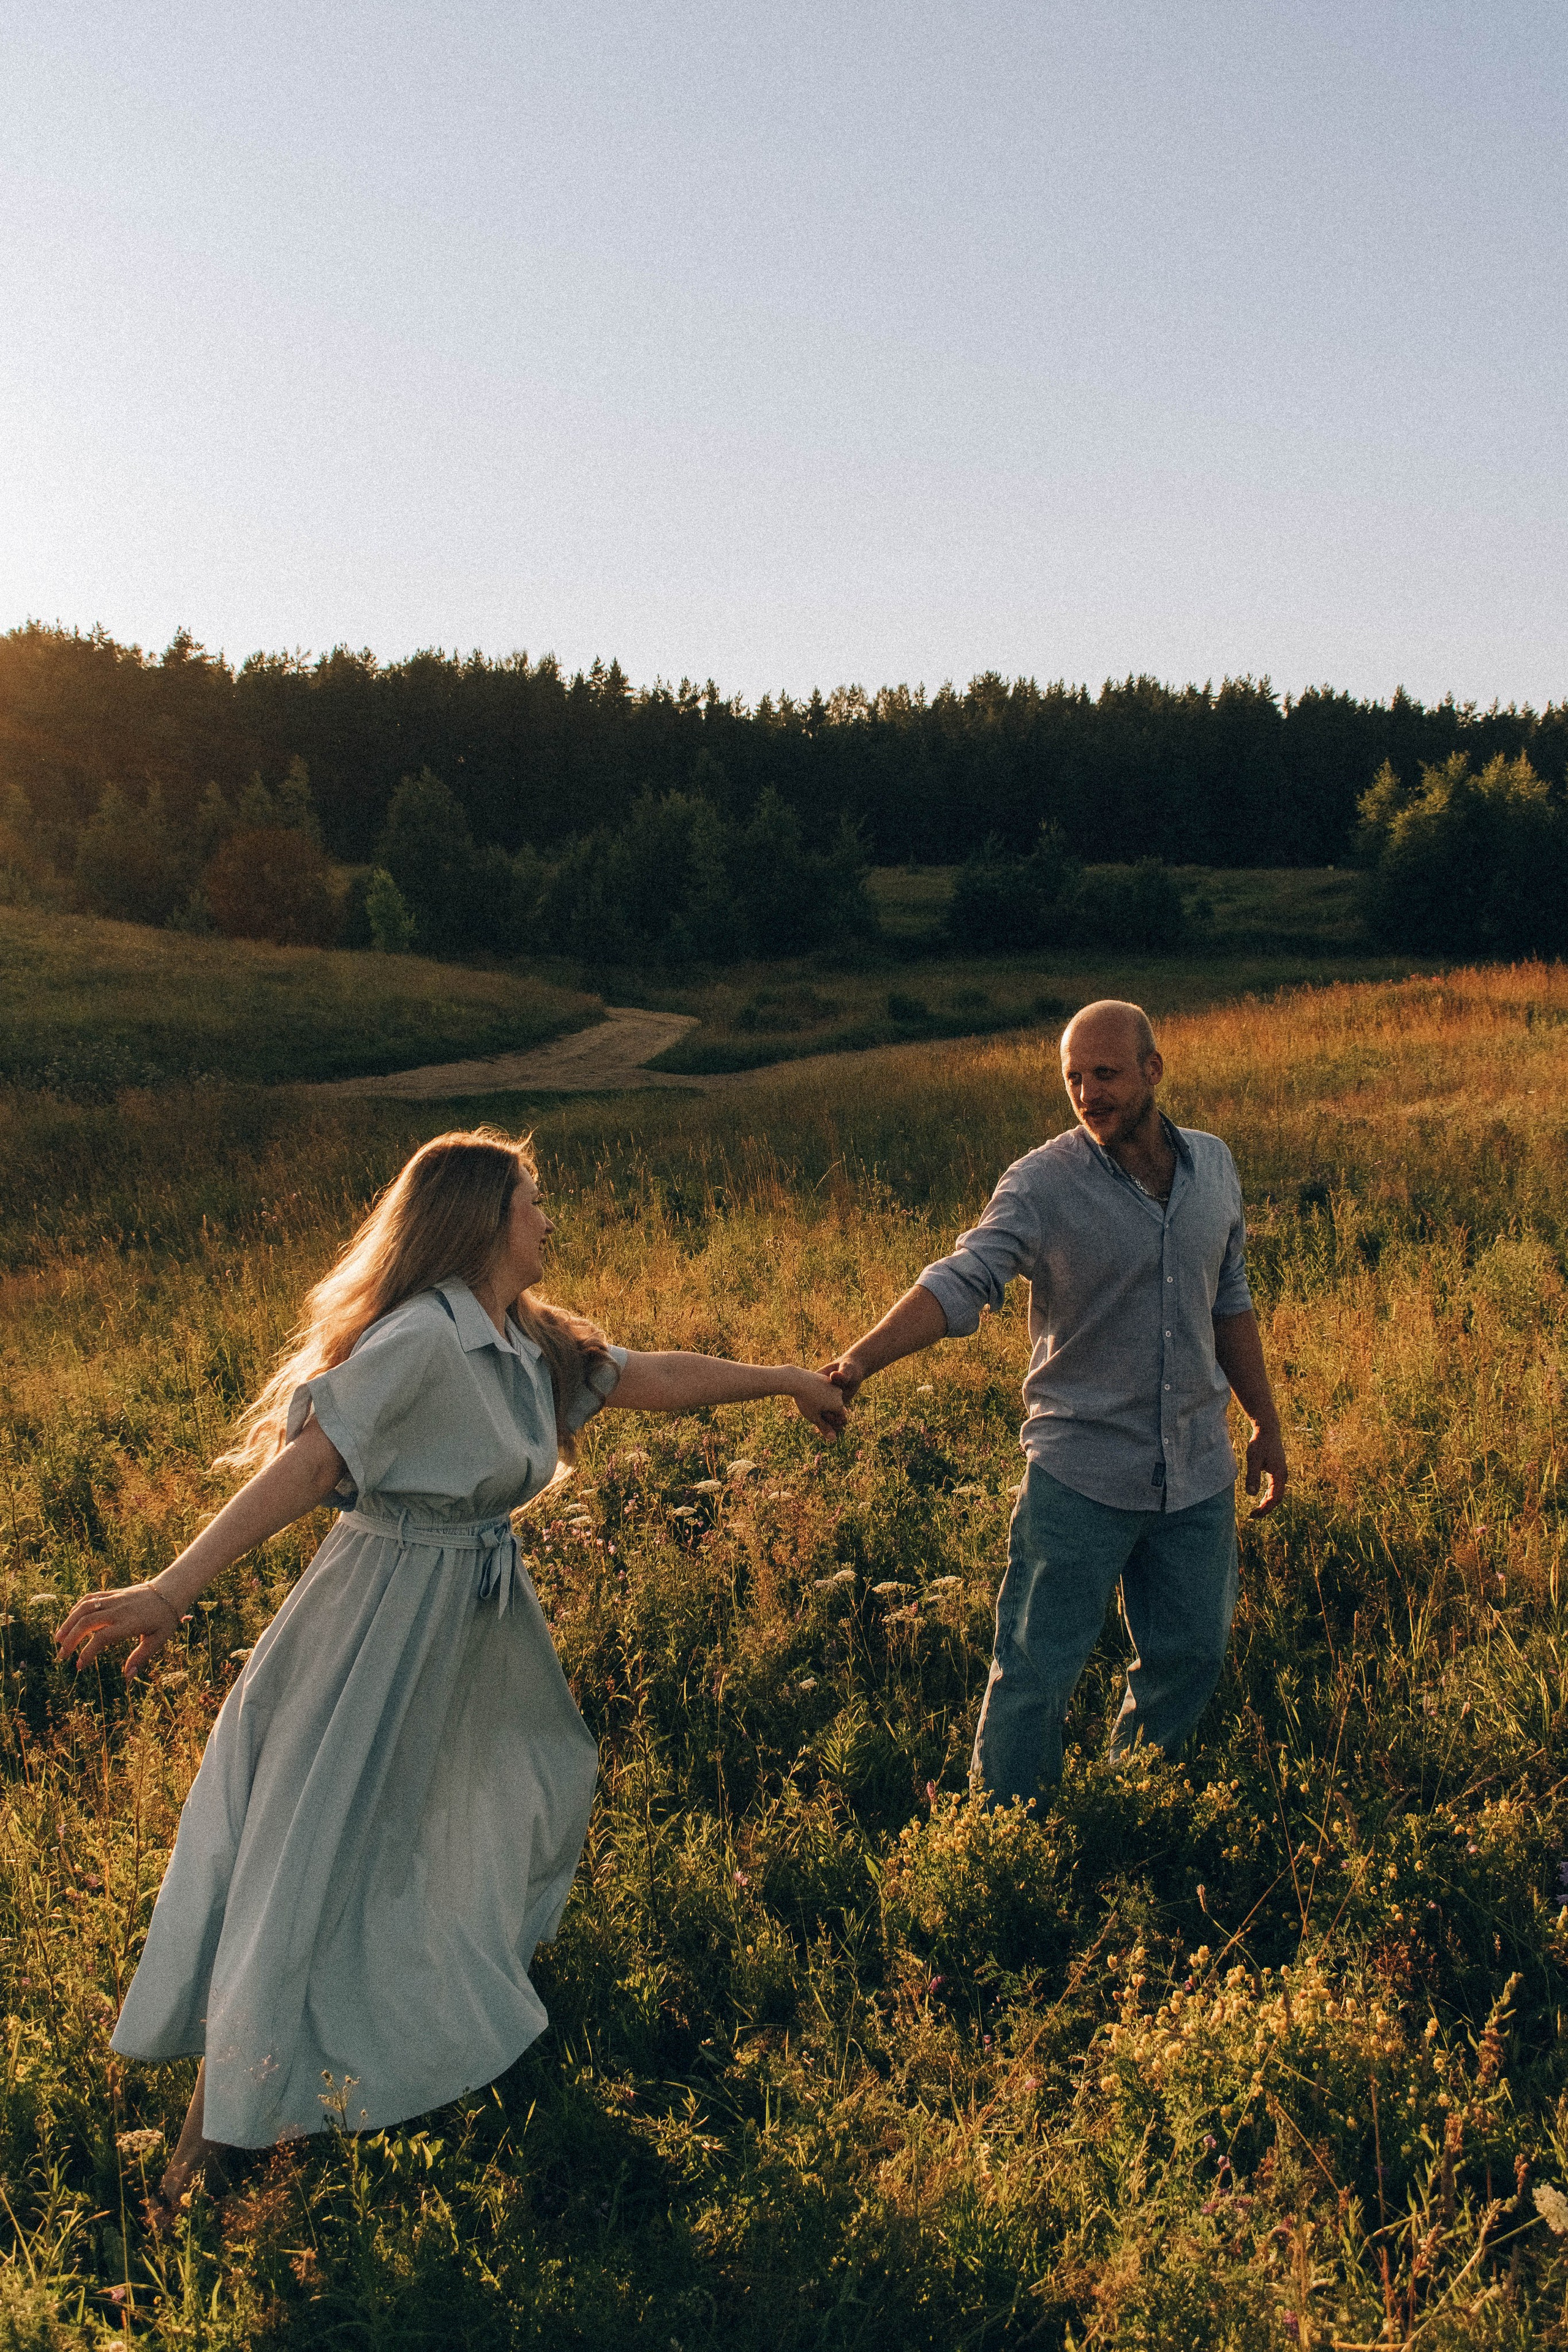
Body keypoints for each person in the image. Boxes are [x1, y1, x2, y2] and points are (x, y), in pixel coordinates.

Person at [56, 1128, 848, 2220]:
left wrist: (786, 1380)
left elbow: (650, 1376)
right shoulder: (423, 1341)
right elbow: (313, 1463)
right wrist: (171, 1591)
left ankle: (408, 2038)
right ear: (484, 1218)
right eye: (535, 1199)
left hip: (472, 1630)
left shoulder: (522, 1336)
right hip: (374, 1628)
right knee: (312, 1863)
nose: (550, 1217)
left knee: (499, 1808)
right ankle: (207, 2151)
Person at [824, 999, 1286, 1807]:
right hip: (1080, 1476)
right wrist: (861, 1360)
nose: (1088, 1093)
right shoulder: (1042, 1182)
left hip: (1196, 1472)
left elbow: (1230, 1302)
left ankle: (1128, 1805)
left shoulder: (1215, 1167)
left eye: (1105, 1073)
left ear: (1153, 1070)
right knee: (1036, 1673)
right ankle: (1005, 1842)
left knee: (1193, 1655)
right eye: (1074, 1078)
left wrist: (1266, 1426)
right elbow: (963, 1278)